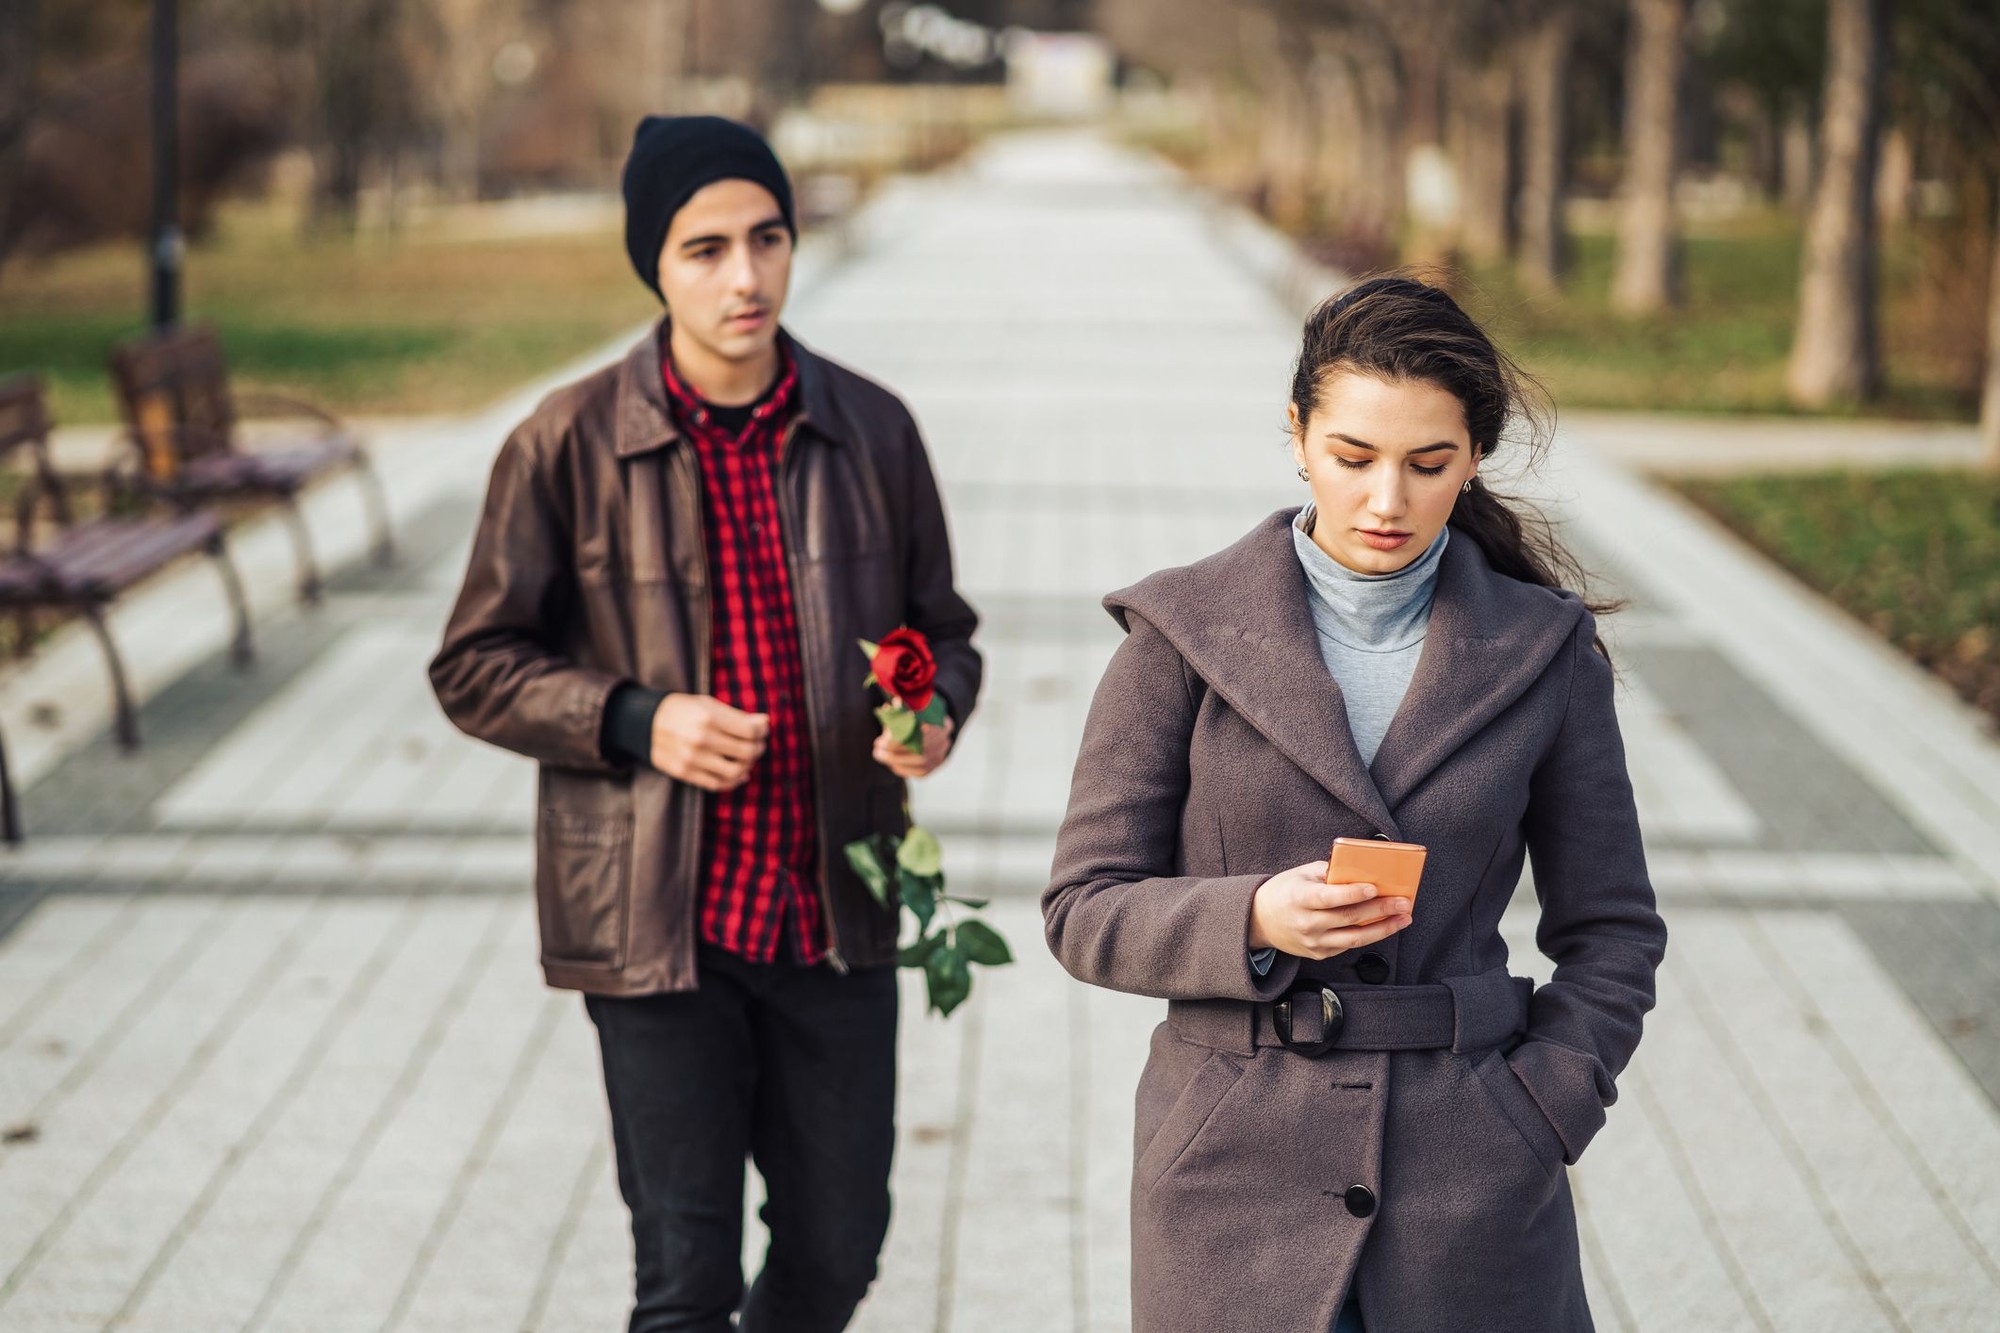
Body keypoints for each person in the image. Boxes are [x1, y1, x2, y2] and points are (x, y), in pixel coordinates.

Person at [429, 115, 981, 1333]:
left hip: (835, 910)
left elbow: (943, 630)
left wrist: (931, 709)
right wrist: (635, 718)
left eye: (767, 238)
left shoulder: (871, 429)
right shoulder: (563, 441)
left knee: (838, 1252)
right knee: (684, 1284)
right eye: (705, 248)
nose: (745, 276)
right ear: (654, 264)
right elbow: (472, 665)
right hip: (657, 922)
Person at [1042, 275, 1667, 1332]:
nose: (1387, 501)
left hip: (1472, 1180)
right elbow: (1082, 908)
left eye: (1428, 465)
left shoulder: (1543, 650)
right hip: (1226, 1178)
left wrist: (1541, 1107)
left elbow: (1611, 930)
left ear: (1473, 456)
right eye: (1352, 458)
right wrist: (1248, 918)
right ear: (1295, 435)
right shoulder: (1178, 637)